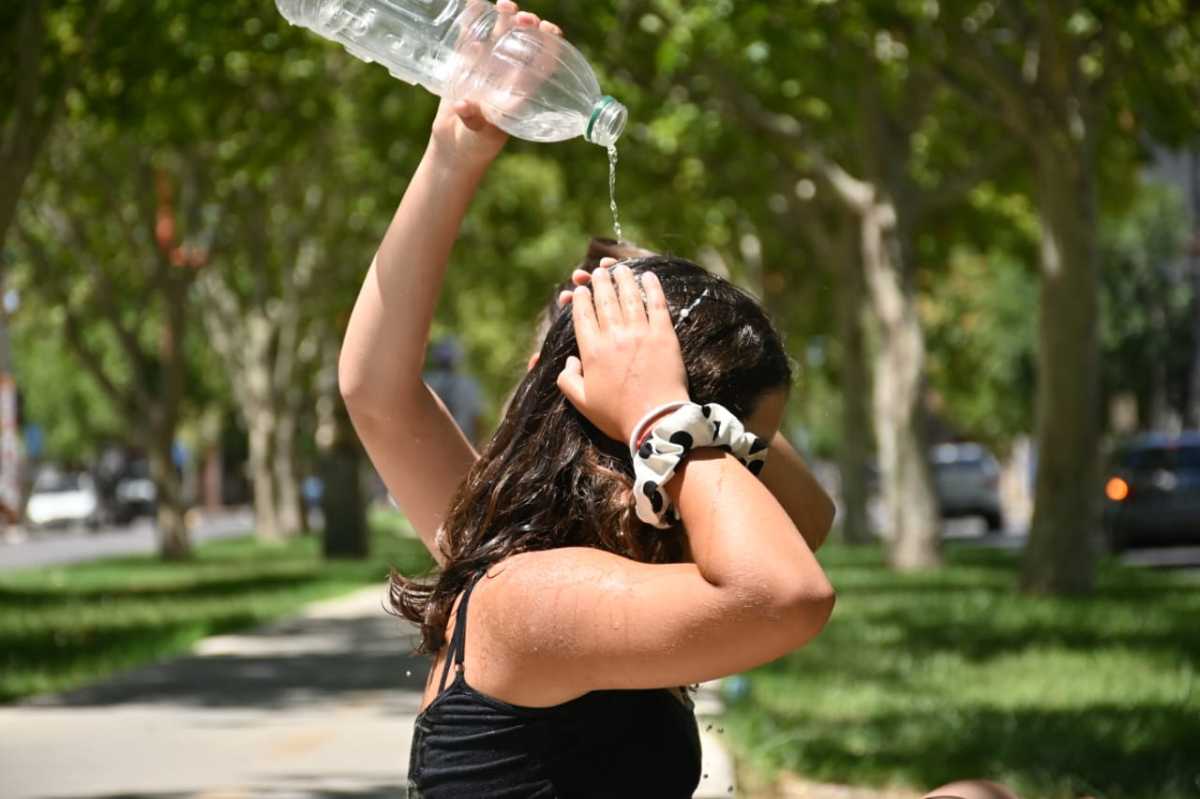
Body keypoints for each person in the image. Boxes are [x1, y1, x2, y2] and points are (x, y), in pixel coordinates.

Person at [338, 4, 1014, 797]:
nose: (733, 467)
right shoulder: (528, 597)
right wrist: (664, 410)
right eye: (717, 442)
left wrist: (461, 146)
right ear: (634, 449)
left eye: (735, 449)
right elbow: (789, 595)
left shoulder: (516, 549)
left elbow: (808, 522)